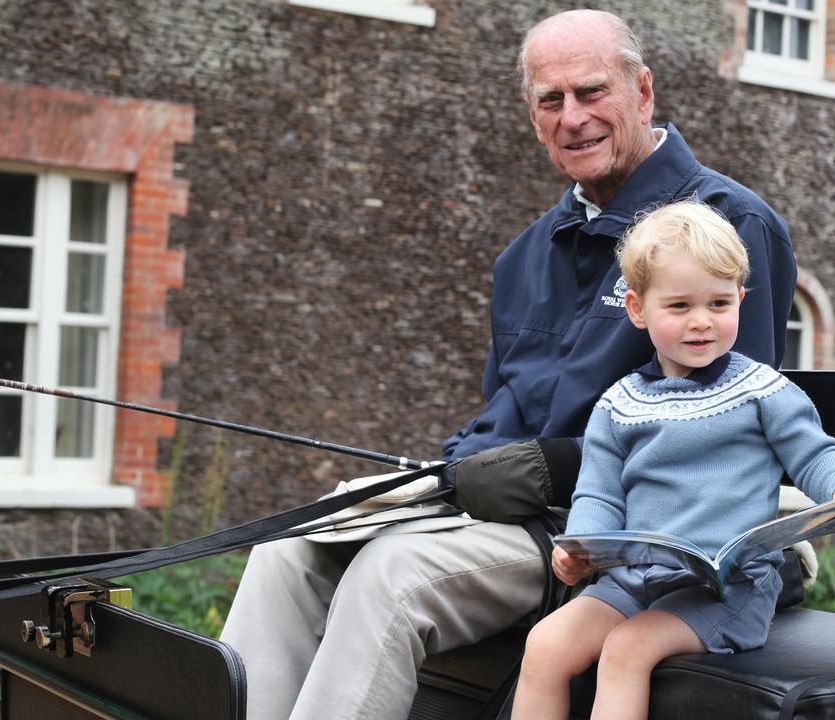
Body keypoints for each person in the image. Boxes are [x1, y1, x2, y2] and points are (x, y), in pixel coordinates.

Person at [221, 10, 801, 719]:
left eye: (592, 92)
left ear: (642, 92)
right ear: (532, 118)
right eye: (550, 102)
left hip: (618, 541)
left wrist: (550, 467)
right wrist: (452, 470)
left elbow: (731, 429)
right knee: (291, 549)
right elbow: (503, 415)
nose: (573, 118)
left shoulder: (729, 226)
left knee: (390, 574)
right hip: (505, 521)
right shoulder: (525, 256)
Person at [512, 201, 835, 720]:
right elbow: (598, 492)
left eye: (719, 303)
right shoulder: (620, 403)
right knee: (547, 643)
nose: (701, 322)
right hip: (637, 580)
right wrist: (580, 550)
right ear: (638, 309)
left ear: (741, 301)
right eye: (680, 306)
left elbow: (815, 453)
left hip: (728, 591)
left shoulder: (761, 390)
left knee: (627, 649)